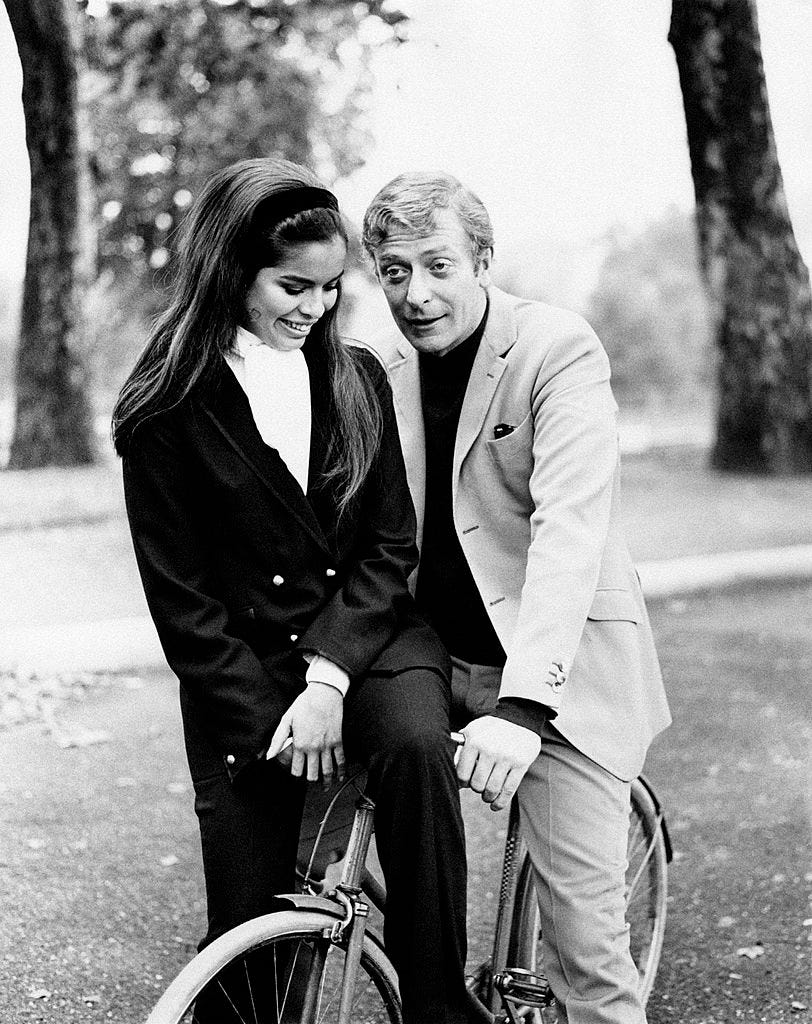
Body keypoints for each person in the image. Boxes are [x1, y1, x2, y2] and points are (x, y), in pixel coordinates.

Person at [112, 158, 473, 1024]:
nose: (312, 308)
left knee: (418, 751)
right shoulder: (165, 409)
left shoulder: (355, 375)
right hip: (243, 681)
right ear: (231, 271)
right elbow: (185, 609)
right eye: (290, 287)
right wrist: (279, 719)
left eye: (327, 288)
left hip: (371, 644)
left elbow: (390, 551)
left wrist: (329, 679)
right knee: (246, 949)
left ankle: (437, 1006)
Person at [362, 172, 672, 1024]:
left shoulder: (556, 347)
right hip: (429, 659)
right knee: (327, 848)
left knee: (588, 960)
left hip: (555, 676)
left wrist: (527, 705)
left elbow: (570, 532)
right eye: (394, 271)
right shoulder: (376, 365)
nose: (416, 294)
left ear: (483, 261)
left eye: (438, 265)